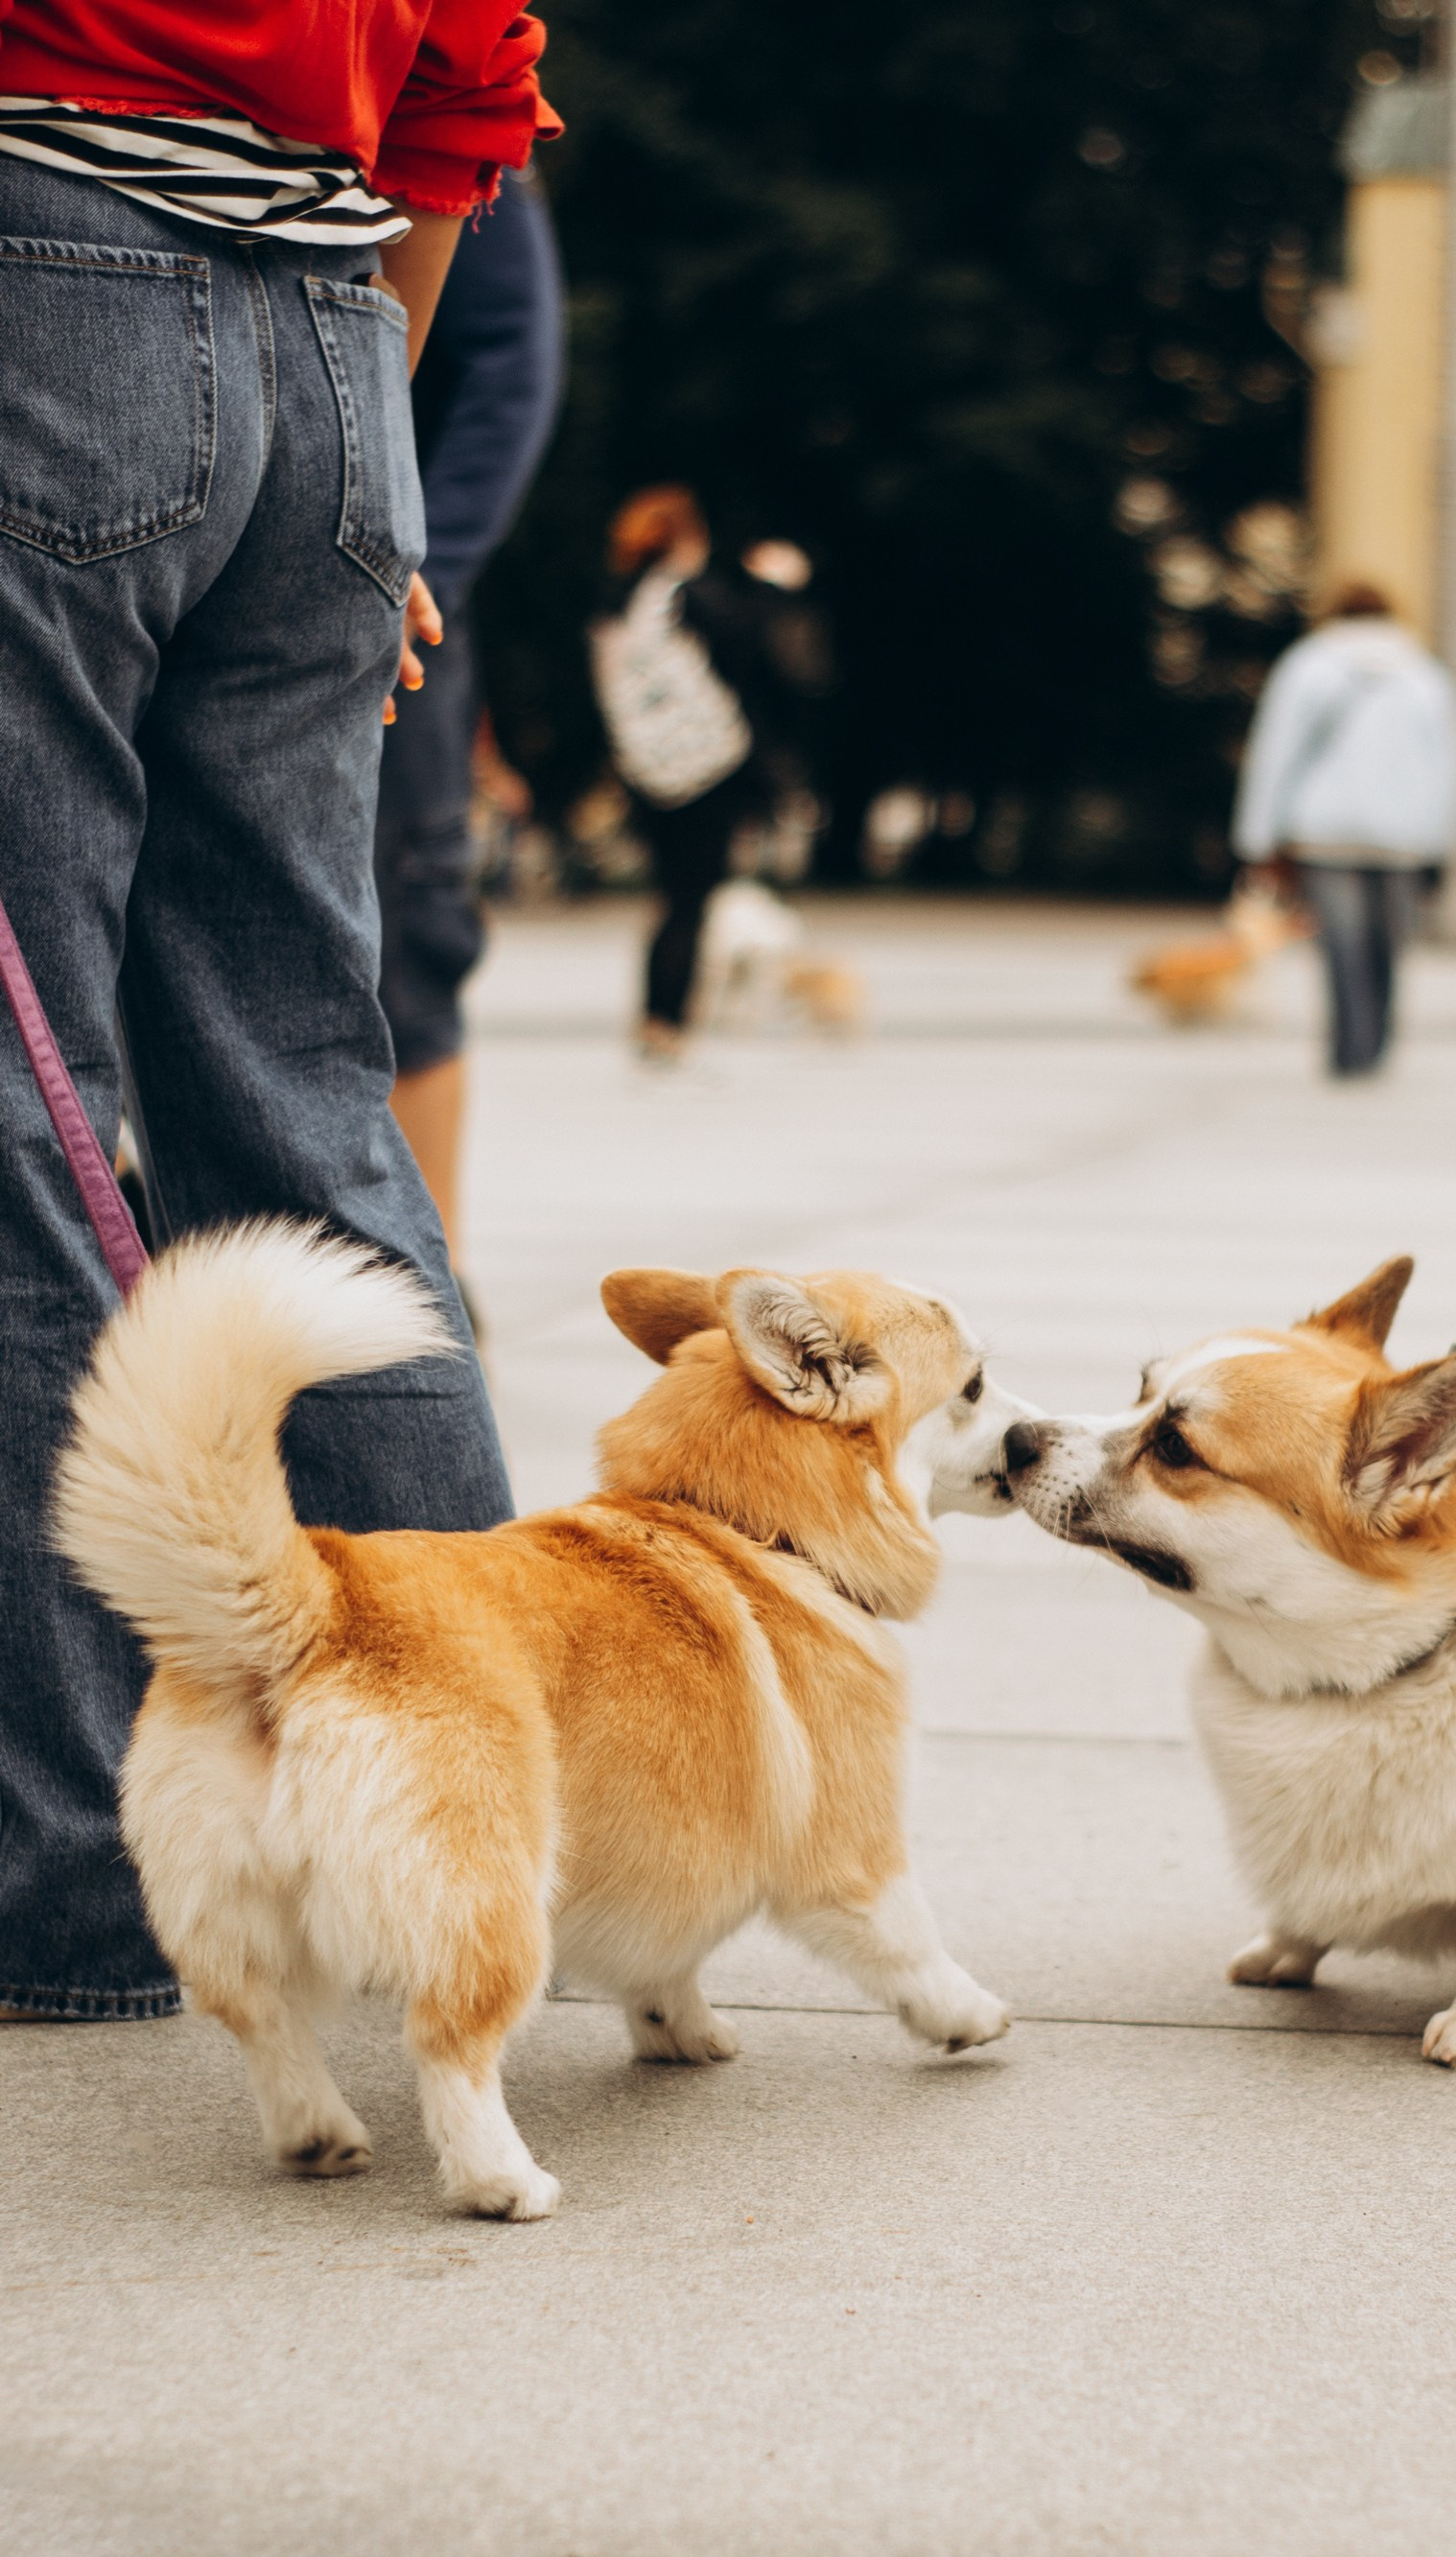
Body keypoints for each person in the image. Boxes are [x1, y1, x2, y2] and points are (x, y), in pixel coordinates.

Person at [0, 4, 556, 2021]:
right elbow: (474, 79)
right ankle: (475, 1815)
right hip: (329, 342)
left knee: (28, 1108)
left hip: (46, 276)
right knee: (310, 1101)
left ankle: (78, 1890)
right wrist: (365, 468)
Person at [376, 159, 564, 1287]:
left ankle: (426, 1287)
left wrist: (409, 556)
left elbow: (511, 366)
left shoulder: (420, 65)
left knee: (406, 944)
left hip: (388, 593)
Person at [592, 487, 822, 1059]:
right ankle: (668, 1023)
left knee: (669, 898)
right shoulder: (685, 596)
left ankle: (653, 1017)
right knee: (691, 900)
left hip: (645, 771)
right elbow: (756, 643)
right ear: (687, 537)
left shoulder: (618, 603)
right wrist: (775, 584)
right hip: (703, 769)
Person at [1231, 581, 1456, 1077]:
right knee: (1389, 943)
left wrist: (1257, 837)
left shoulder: (1307, 666)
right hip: (1404, 834)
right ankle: (1377, 1044)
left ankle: (1347, 1049)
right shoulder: (1425, 673)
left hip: (1326, 828)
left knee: (1341, 941)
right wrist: (1443, 841)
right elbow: (1451, 764)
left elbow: (1277, 753)